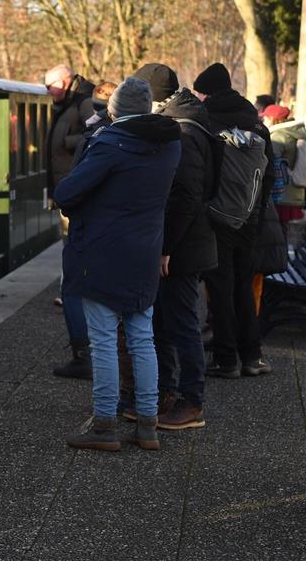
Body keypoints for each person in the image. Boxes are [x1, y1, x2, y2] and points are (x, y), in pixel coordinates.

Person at [57, 77, 181, 451]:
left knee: (105, 340)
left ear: (114, 109)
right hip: (144, 252)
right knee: (143, 338)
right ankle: (147, 426)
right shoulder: (170, 144)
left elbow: (67, 192)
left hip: (104, 253)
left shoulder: (109, 143)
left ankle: (105, 426)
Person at [131, 63, 218, 430]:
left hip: (183, 245)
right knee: (166, 320)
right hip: (183, 240)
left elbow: (186, 195)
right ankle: (165, 392)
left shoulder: (182, 131)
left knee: (181, 323)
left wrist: (165, 246)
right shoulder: (187, 120)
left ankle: (191, 400)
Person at [192, 63, 276, 378]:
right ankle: (252, 356)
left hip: (216, 219)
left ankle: (226, 359)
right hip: (250, 219)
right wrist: (254, 209)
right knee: (243, 284)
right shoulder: (258, 124)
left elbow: (204, 174)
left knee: (219, 288)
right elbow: (268, 175)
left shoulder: (207, 123)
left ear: (206, 92)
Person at [44, 65, 96, 379]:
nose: (48, 92)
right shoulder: (69, 102)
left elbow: (95, 133)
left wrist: (66, 141)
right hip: (66, 187)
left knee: (73, 255)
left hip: (74, 190)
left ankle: (83, 353)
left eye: (50, 87)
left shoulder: (84, 102)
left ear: (64, 83)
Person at [264, 105, 305, 230]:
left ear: (272, 119)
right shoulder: (298, 134)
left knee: (279, 234)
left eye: (265, 118)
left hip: (282, 195)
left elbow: (270, 163)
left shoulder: (278, 136)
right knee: (292, 236)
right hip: (298, 192)